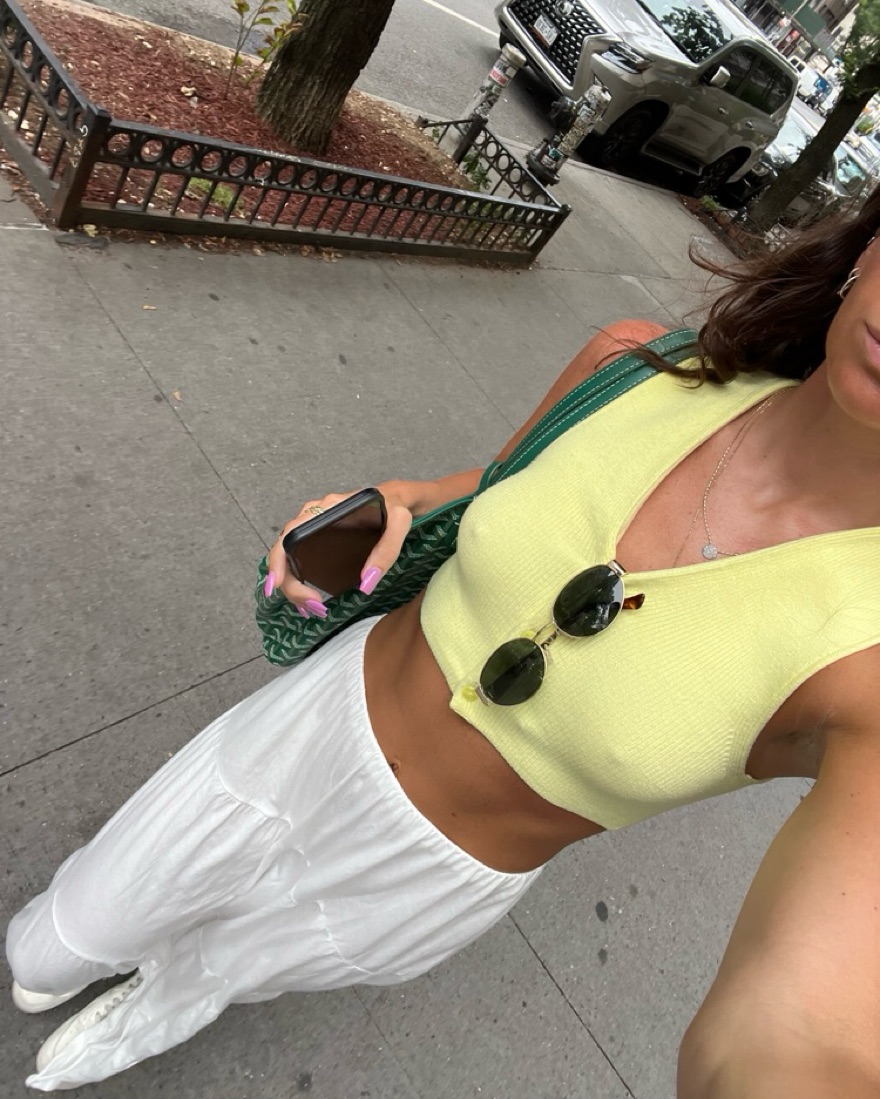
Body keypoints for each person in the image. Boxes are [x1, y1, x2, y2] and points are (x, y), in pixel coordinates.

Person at [7, 186, 880, 1097]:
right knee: (62, 937)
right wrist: (397, 505)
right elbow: (498, 484)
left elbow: (804, 1029)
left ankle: (154, 1008)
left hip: (417, 881)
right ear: (867, 244)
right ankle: (86, 950)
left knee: (226, 966)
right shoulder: (637, 367)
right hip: (306, 729)